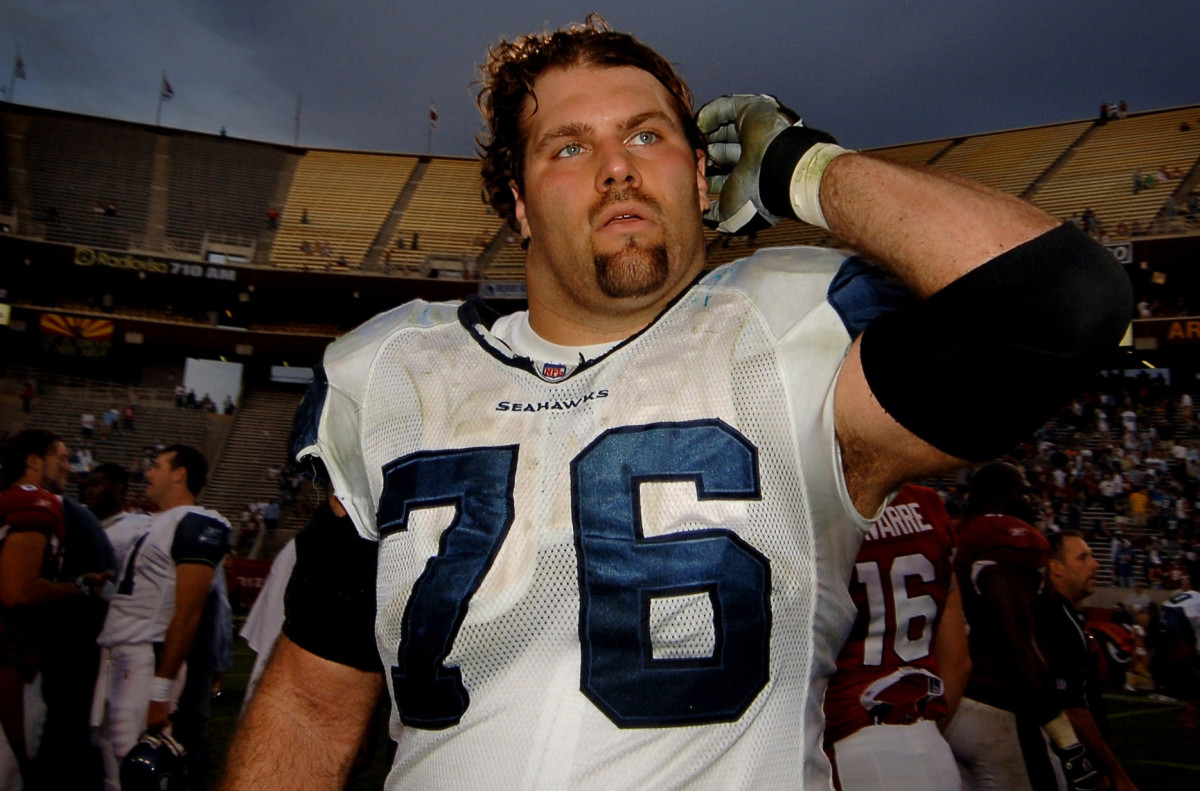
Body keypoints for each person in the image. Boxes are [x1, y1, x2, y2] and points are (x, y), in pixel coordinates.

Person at [221, 16, 1129, 790]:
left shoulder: (789, 348)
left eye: (647, 136)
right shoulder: (394, 376)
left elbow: (1061, 303)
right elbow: (310, 695)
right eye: (569, 147)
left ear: (704, 178)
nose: (617, 168)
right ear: (519, 202)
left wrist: (802, 169)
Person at [946, 463, 1103, 791]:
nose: (1031, 499)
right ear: (1005, 493)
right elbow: (1018, 638)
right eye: (1024, 490)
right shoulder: (1009, 537)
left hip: (950, 703)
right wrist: (1063, 733)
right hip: (997, 705)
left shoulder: (959, 534)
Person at [92, 445, 230, 791]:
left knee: (141, 769)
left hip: (145, 656)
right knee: (111, 767)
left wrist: (161, 690)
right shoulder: (146, 524)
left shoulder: (199, 522)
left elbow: (188, 610)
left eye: (156, 466)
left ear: (179, 473)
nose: (147, 473)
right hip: (115, 654)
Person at [823, 484, 969, 791]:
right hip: (930, 743)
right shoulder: (927, 504)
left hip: (848, 745)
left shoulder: (819, 506)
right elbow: (957, 661)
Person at [0, 430, 110, 789]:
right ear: (33, 460)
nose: (68, 465)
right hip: (10, 659)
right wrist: (77, 587)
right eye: (59, 457)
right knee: (12, 772)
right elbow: (18, 591)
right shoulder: (35, 503)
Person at [1042, 531, 1140, 791]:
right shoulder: (1059, 620)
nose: (1095, 564)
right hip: (1066, 762)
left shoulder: (1062, 615)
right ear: (1056, 567)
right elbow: (1072, 709)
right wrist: (1116, 773)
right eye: (1083, 557)